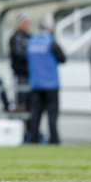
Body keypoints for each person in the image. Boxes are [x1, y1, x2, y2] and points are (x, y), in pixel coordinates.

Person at [26, 14, 66, 144]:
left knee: (35, 116)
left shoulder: (31, 41)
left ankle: (34, 140)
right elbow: (63, 58)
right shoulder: (51, 42)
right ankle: (54, 141)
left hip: (35, 84)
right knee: (52, 117)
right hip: (51, 85)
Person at [9, 12, 31, 111]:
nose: (27, 25)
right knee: (21, 101)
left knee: (30, 101)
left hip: (30, 74)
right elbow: (19, 54)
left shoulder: (30, 37)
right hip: (20, 74)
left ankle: (31, 125)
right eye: (25, 22)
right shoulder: (15, 38)